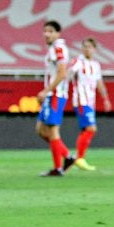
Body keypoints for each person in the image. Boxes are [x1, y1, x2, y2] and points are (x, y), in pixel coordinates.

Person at [36, 20, 75, 176]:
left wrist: (46, 91)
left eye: (51, 31)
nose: (46, 34)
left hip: (55, 95)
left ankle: (58, 167)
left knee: (52, 131)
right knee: (41, 130)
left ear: (58, 33)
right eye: (45, 31)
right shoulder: (54, 48)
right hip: (53, 95)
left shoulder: (58, 48)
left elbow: (62, 73)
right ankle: (67, 157)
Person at [67, 37, 111, 171]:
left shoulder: (96, 65)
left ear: (94, 49)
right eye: (84, 46)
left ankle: (77, 158)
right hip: (81, 100)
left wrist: (106, 99)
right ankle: (79, 158)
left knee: (86, 130)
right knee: (91, 128)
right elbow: (69, 74)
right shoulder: (78, 62)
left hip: (90, 101)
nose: (87, 49)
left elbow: (99, 83)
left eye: (89, 47)